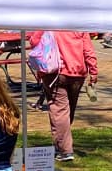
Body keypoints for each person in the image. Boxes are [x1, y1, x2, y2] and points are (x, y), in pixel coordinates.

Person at [28, 30, 97, 161]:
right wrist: (93, 71)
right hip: (77, 73)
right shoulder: (79, 26)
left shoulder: (49, 22)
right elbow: (88, 50)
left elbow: (34, 41)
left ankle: (65, 150)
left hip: (54, 72)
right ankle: (61, 145)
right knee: (67, 110)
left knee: (60, 111)